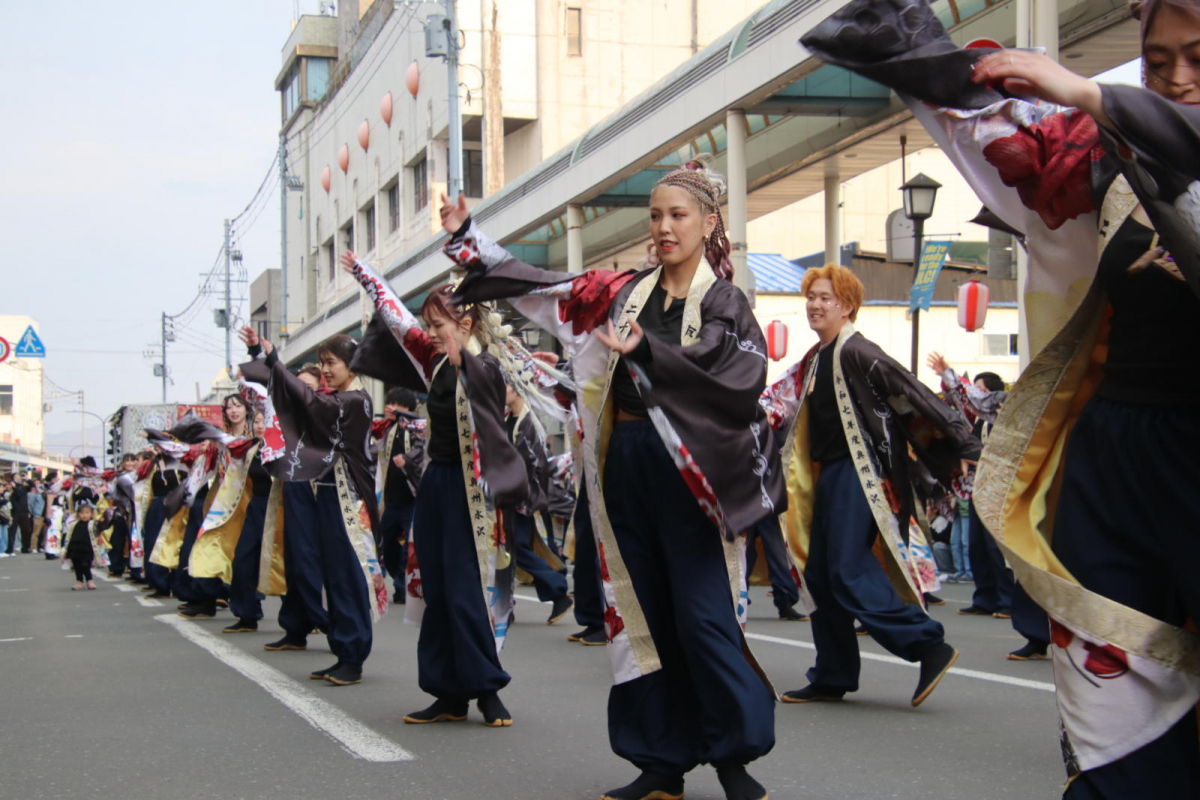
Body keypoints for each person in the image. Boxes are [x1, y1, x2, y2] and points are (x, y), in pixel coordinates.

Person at [803, 0, 1200, 794]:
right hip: (1114, 457)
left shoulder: (1117, 122)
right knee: (1109, 713)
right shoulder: (1105, 160)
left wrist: (1099, 97)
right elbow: (989, 124)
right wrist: (908, 48)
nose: (1178, 82)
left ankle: (914, 639)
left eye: (1198, 59)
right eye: (1158, 64)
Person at [439, 158, 782, 800]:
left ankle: (735, 761)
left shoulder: (724, 301)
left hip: (689, 477)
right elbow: (547, 289)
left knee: (702, 617)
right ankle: (660, 763)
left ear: (709, 223)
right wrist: (471, 241)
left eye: (678, 214)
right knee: (638, 614)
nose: (664, 227)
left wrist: (649, 350)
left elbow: (736, 370)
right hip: (624, 462)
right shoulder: (625, 294)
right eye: (655, 215)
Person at [762, 264, 978, 708]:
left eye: (826, 298)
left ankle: (927, 644)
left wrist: (964, 442)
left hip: (859, 473)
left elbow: (911, 393)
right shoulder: (813, 359)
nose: (816, 305)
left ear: (847, 306)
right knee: (819, 575)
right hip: (826, 475)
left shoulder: (859, 352)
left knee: (844, 566)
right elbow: (777, 401)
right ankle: (832, 673)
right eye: (812, 298)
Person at [345, 255, 530, 729]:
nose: (427, 331)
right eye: (428, 324)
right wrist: (367, 276)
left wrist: (463, 357)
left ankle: (487, 690)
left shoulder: (485, 366)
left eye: (437, 324)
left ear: (464, 322)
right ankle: (447, 693)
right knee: (436, 592)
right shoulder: (434, 364)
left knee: (467, 591)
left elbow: (489, 397)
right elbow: (398, 321)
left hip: (474, 495)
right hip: (437, 486)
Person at [239, 328, 385, 687]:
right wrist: (262, 357)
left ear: (352, 365)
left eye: (331, 362)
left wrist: (272, 361)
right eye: (322, 363)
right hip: (329, 495)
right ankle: (342, 651)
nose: (325, 370)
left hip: (349, 500)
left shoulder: (355, 400)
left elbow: (309, 403)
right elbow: (301, 403)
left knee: (348, 577)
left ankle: (353, 655)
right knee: (333, 577)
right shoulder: (338, 398)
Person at [506, 380, 574, 624]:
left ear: (517, 388)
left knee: (515, 549)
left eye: (505, 385)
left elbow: (537, 464)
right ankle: (506, 607)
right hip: (507, 495)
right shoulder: (508, 419)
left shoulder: (529, 422)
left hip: (519, 497)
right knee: (508, 550)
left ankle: (557, 587)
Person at [373, 387, 425, 605]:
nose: (390, 408)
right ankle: (397, 577)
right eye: (389, 403)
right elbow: (376, 450)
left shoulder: (416, 427)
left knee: (408, 548)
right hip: (392, 499)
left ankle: (402, 589)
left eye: (395, 405)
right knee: (386, 544)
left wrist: (406, 457)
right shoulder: (388, 429)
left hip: (412, 497)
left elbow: (420, 449)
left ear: (407, 408)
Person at [743, 516, 808, 621]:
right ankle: (736, 599)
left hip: (766, 505)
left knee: (775, 549)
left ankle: (785, 602)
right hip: (748, 505)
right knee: (746, 549)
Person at [62, 502, 107, 591]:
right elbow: (68, 536)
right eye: (82, 513)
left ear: (91, 514)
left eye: (87, 513)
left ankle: (89, 580)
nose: (84, 515)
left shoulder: (94, 524)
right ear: (78, 514)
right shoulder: (73, 524)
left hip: (87, 547)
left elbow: (102, 528)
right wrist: (66, 550)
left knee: (85, 564)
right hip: (75, 547)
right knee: (76, 565)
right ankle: (79, 581)